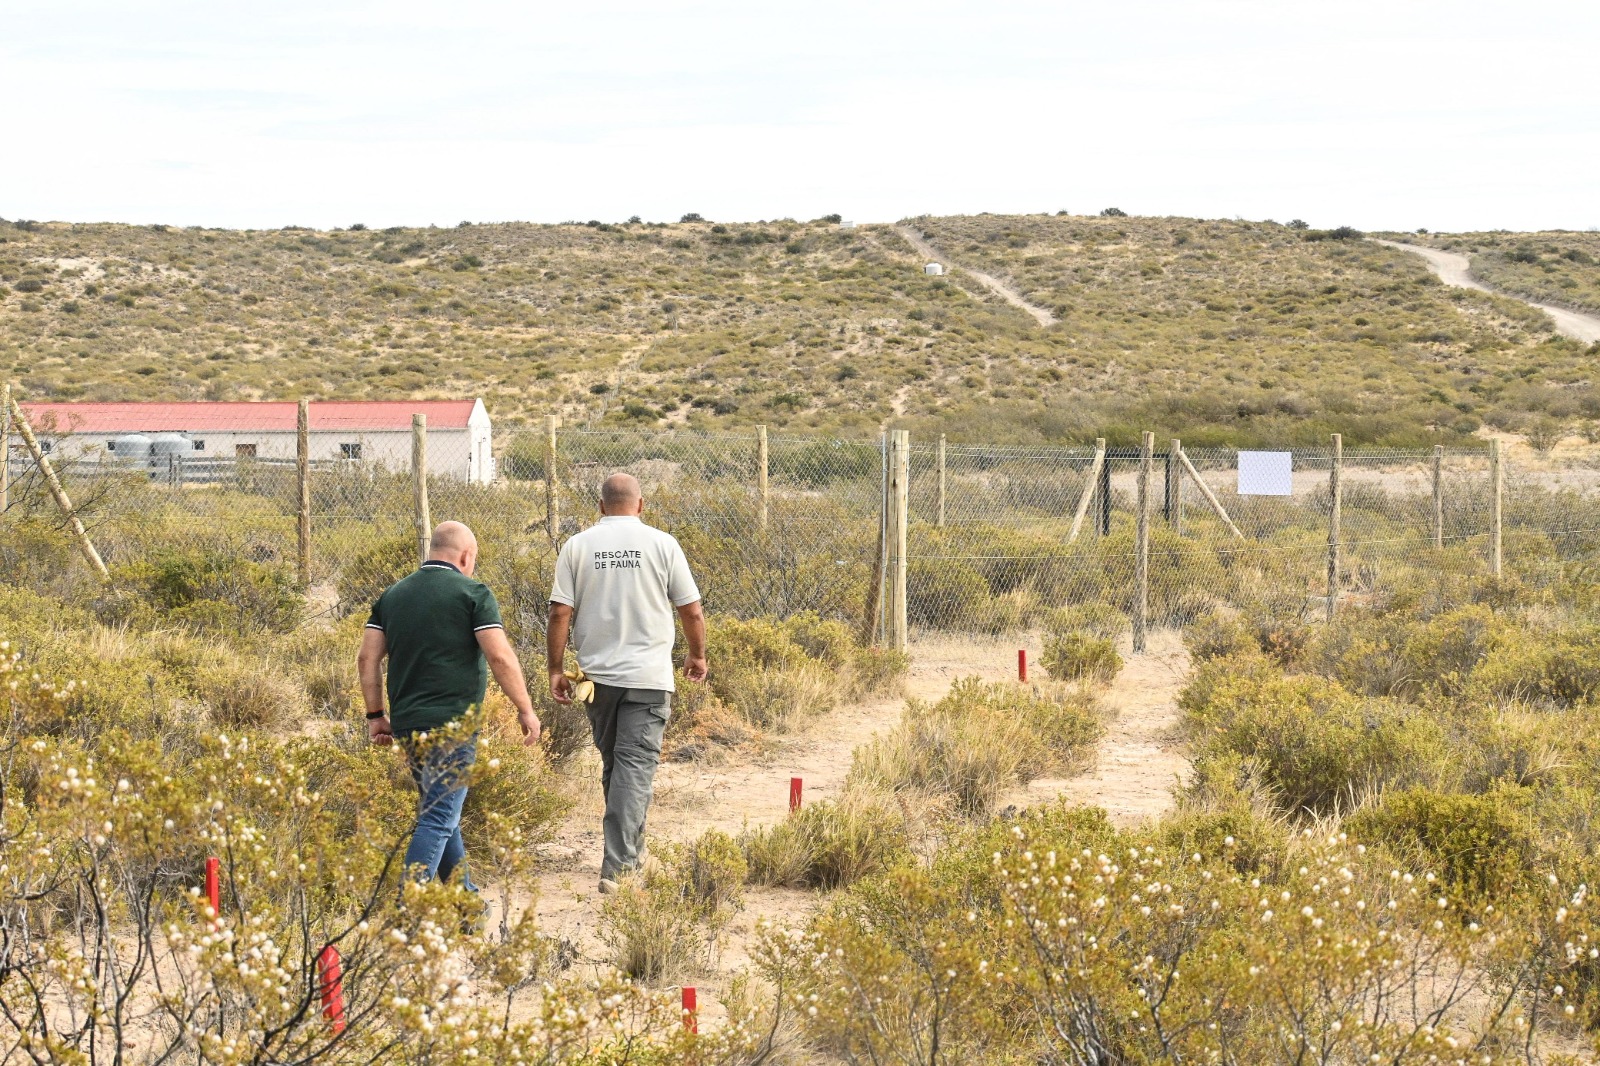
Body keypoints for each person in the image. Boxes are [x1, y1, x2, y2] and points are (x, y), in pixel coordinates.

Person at [358, 521, 541, 898]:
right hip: (454, 725)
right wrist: (525, 708)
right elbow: (500, 657)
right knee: (440, 816)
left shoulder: (392, 595)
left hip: (408, 724)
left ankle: (467, 908)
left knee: (443, 814)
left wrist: (376, 716)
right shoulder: (473, 593)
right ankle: (408, 908)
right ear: (466, 556)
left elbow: (367, 659)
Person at [547, 473, 707, 894]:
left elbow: (560, 612)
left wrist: (555, 668)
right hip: (648, 678)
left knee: (617, 767)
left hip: (597, 680)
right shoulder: (663, 544)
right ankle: (618, 868)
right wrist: (697, 654)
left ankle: (630, 854)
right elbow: (691, 610)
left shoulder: (577, 546)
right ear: (641, 504)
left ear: (601, 506)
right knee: (633, 768)